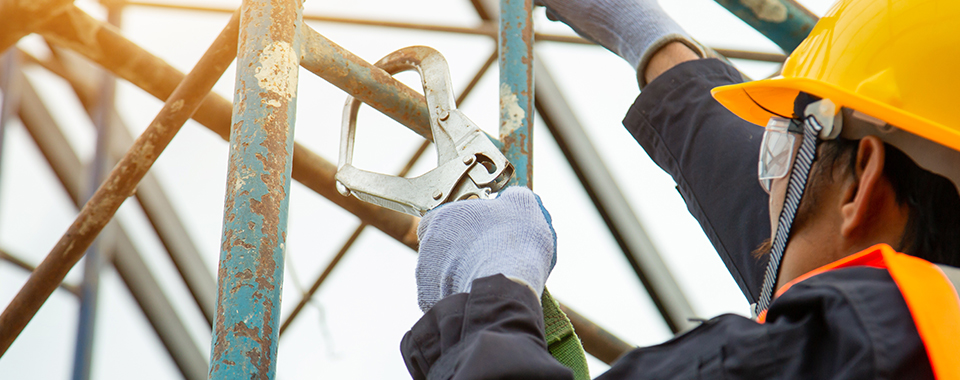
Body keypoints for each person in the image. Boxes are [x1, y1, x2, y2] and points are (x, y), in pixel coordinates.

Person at [401, 0, 960, 378]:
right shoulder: (927, 321)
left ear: (860, 184)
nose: (767, 184)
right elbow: (773, 208)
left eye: (777, 152)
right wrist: (644, 36)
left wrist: (485, 295)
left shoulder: (847, 346)